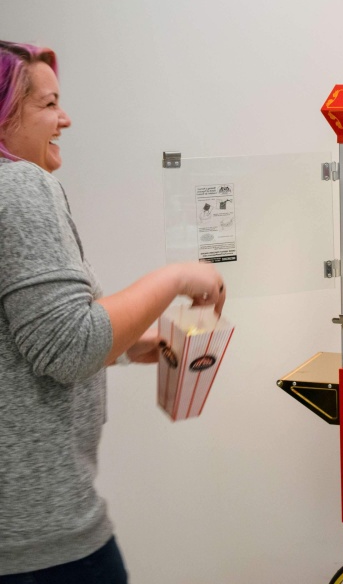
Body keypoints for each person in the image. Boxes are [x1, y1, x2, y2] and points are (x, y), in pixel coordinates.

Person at [0, 41, 226, 583]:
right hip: (41, 540)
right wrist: (174, 277)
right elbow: (69, 348)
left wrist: (124, 349)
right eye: (48, 104)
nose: (66, 119)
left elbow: (30, 342)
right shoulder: (21, 185)